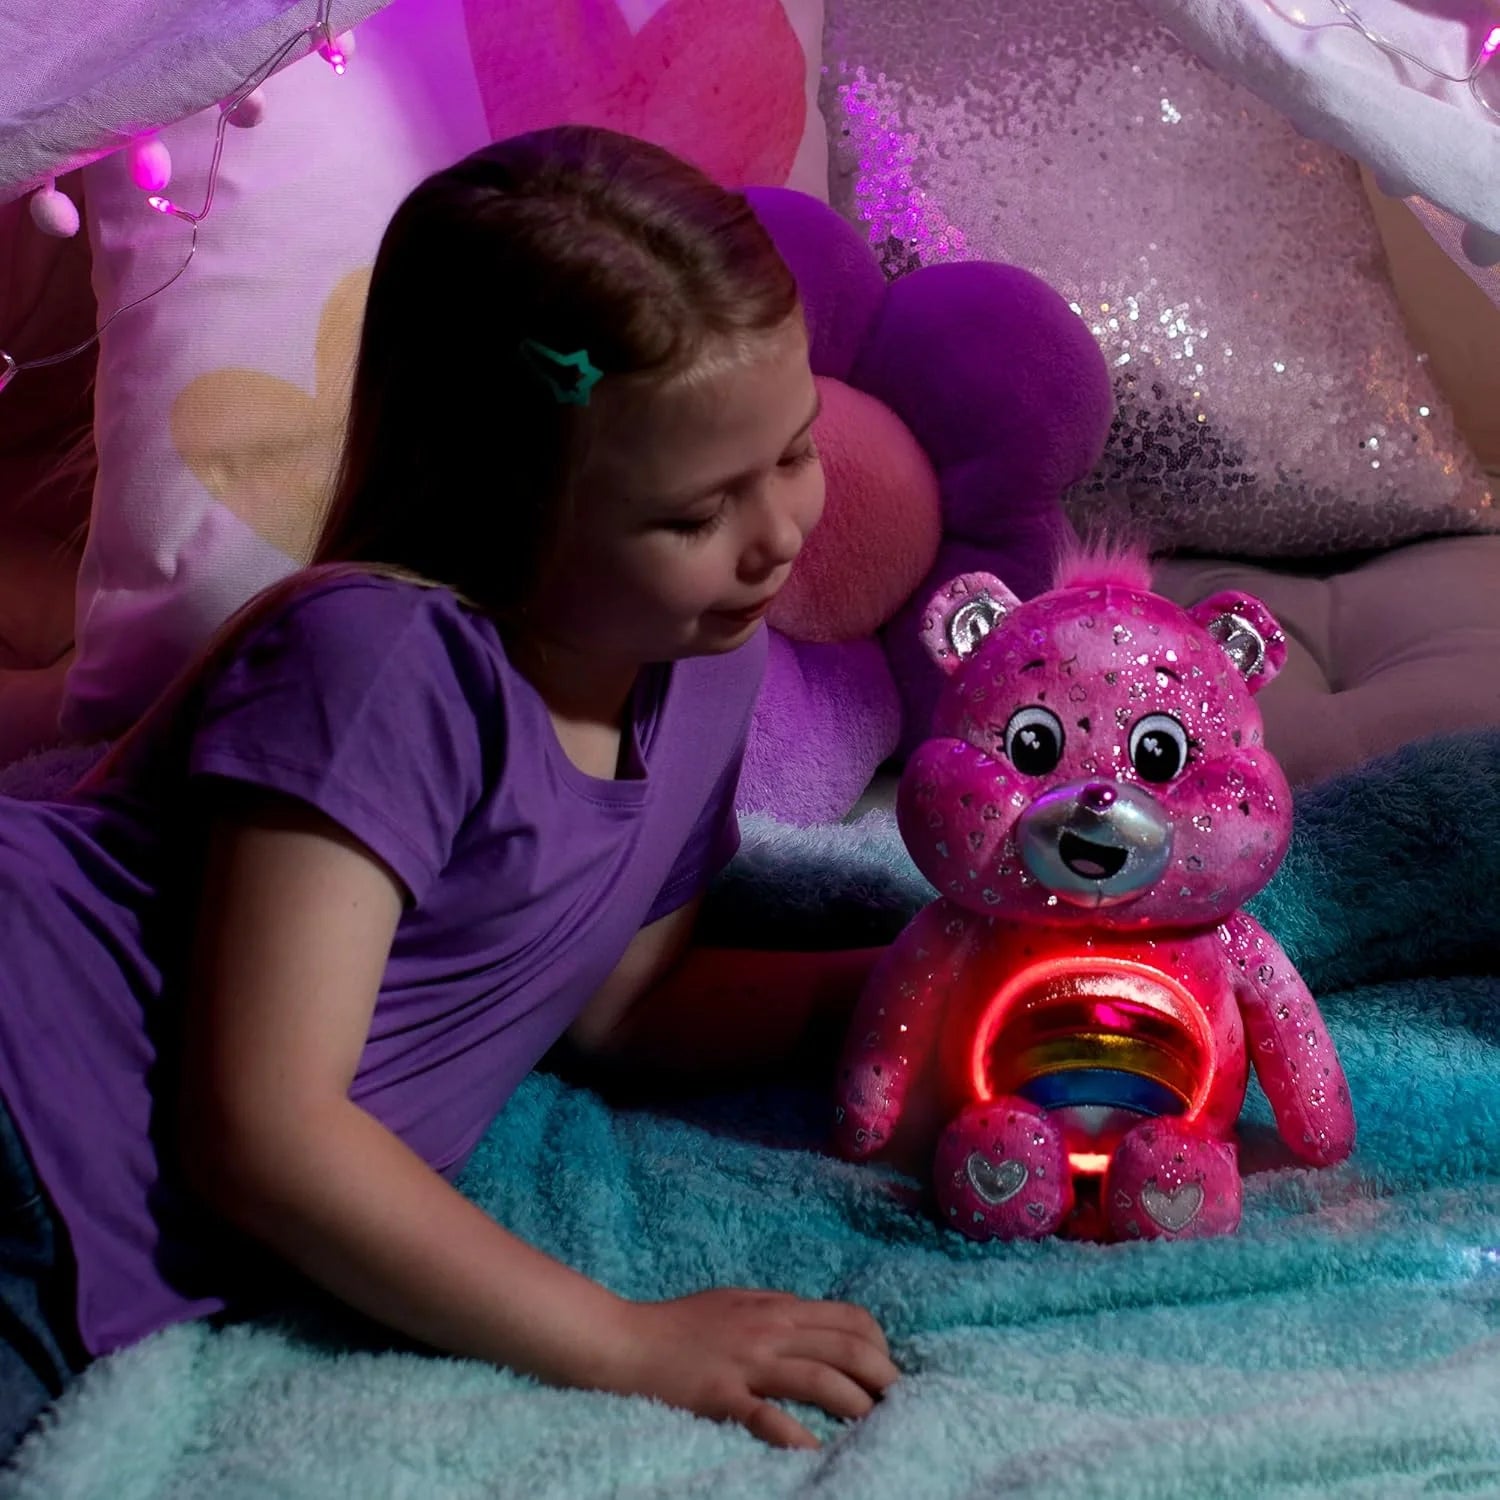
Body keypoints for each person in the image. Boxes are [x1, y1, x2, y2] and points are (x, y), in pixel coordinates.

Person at [0, 124, 899, 1462]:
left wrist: (898, 987)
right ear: (505, 498)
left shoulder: (709, 666)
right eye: (696, 512)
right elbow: (264, 1129)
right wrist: (631, 1341)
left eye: (794, 452)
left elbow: (620, 1007)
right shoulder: (386, 664)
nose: (779, 533)